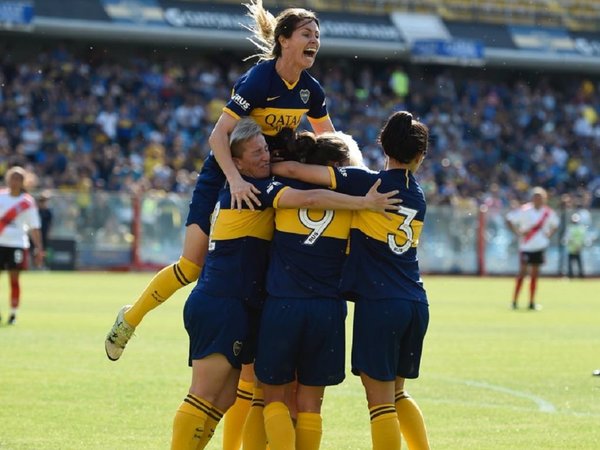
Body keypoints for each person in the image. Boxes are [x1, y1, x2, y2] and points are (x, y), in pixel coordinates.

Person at [170, 118, 399, 450]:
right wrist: (364, 200)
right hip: (320, 310)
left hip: (276, 307)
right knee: (306, 406)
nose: (266, 157)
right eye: (258, 151)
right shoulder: (329, 203)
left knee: (259, 397)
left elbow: (297, 189)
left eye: (266, 149)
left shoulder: (265, 190)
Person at [272, 111, 431, 450]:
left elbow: (294, 171)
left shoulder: (365, 182)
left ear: (383, 146)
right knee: (399, 393)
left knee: (381, 404)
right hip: (416, 302)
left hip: (380, 304)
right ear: (421, 155)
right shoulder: (418, 195)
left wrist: (261, 168)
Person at [250, 131, 370, 450]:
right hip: (327, 311)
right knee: (311, 406)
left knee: (272, 398)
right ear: (332, 166)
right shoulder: (350, 205)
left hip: (283, 307)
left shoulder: (285, 193)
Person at [0, 166, 44, 325]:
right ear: (8, 179)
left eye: (19, 178)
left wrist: (38, 247)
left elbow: (34, 226)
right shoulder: (1, 197)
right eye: (13, 177)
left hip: (17, 244)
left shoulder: (27, 202)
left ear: (23, 181)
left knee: (14, 279)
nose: (15, 181)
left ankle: (13, 313)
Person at [506, 187, 560, 310]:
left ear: (545, 198)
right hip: (526, 246)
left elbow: (556, 224)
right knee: (522, 273)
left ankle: (531, 302)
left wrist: (549, 234)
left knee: (535, 275)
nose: (538, 199)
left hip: (540, 246)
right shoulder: (525, 210)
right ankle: (514, 301)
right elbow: (509, 219)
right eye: (535, 196)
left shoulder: (548, 212)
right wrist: (518, 232)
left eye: (540, 197)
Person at [564, 213, 586, 279]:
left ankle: (573, 275)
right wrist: (579, 245)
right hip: (577, 248)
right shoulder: (581, 228)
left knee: (573, 263)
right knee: (577, 262)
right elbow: (583, 238)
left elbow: (568, 238)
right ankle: (579, 275)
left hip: (573, 248)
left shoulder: (570, 227)